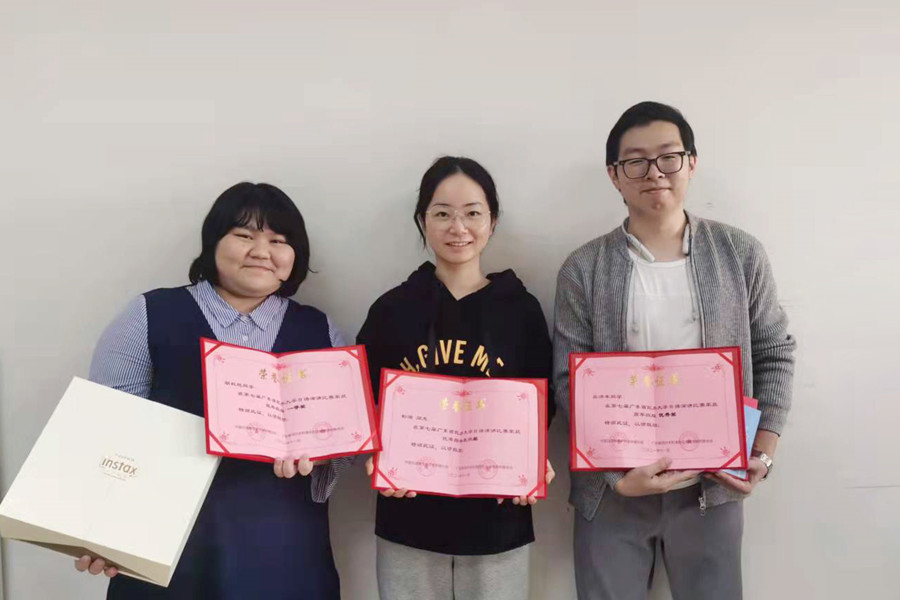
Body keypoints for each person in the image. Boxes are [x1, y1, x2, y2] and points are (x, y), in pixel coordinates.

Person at [553, 101, 796, 600]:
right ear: (614, 175)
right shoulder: (583, 268)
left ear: (691, 163)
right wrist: (616, 475)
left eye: (668, 156)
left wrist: (763, 451)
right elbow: (568, 382)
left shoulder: (739, 254)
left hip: (712, 487)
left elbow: (775, 351)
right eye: (635, 161)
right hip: (613, 493)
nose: (654, 172)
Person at [78, 182, 348, 599]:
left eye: (278, 240)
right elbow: (106, 432)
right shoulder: (150, 314)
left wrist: (322, 452)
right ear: (213, 243)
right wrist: (97, 527)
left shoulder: (321, 331)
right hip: (167, 548)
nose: (261, 251)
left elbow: (344, 446)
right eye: (244, 235)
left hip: (287, 551)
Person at [358, 156, 555, 600]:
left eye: (473, 213)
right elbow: (363, 400)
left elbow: (543, 403)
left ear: (492, 221)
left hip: (497, 520)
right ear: (422, 221)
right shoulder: (392, 309)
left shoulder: (521, 311)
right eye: (442, 213)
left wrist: (531, 460)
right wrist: (376, 455)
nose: (458, 227)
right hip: (408, 516)